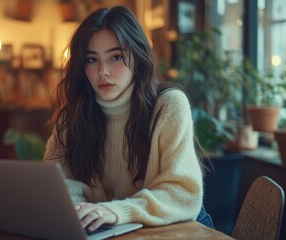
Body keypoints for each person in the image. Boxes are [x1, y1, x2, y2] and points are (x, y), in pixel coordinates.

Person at [44, 6, 213, 232]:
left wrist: (116, 211)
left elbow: (182, 194)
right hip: (112, 230)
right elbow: (56, 185)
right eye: (92, 59)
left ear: (138, 57)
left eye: (116, 57)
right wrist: (80, 212)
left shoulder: (169, 105)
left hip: (179, 227)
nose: (103, 71)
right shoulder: (72, 115)